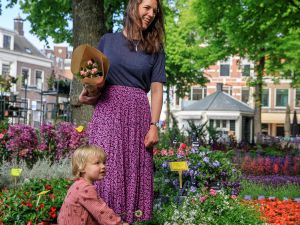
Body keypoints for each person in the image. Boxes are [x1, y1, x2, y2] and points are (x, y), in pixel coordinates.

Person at [79, 0, 165, 223]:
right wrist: (88, 93)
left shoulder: (155, 49)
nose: (151, 14)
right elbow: (95, 79)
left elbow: (156, 90)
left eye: (155, 11)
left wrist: (154, 125)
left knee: (135, 171)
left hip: (138, 115)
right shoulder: (108, 41)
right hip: (108, 112)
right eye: (147, 8)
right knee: (104, 169)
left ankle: (132, 221)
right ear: (133, 6)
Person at [57, 145, 129, 225]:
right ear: (82, 167)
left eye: (104, 163)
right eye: (97, 163)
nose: (103, 166)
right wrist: (118, 223)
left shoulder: (78, 184)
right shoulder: (85, 188)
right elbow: (101, 211)